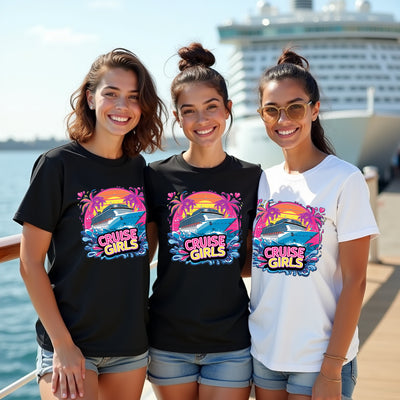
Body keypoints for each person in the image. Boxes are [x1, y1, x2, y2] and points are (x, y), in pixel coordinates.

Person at [14, 48, 166, 400]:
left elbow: (147, 239)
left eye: (133, 97)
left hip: (129, 342)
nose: (121, 106)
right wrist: (63, 345)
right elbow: (29, 262)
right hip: (69, 343)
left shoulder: (139, 169)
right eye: (111, 93)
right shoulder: (57, 165)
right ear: (90, 98)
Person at [249, 48, 379, 400]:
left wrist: (332, 367)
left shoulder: (344, 180)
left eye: (295, 107)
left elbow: (356, 281)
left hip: (319, 358)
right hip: (264, 355)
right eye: (272, 110)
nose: (283, 119)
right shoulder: (261, 182)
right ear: (262, 115)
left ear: (314, 109)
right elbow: (255, 264)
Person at [144, 42, 262, 400]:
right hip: (168, 339)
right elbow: (141, 256)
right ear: (178, 118)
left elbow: (251, 260)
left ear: (227, 109)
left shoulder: (252, 178)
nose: (202, 120)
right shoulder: (156, 177)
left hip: (230, 339)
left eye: (211, 107)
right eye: (189, 111)